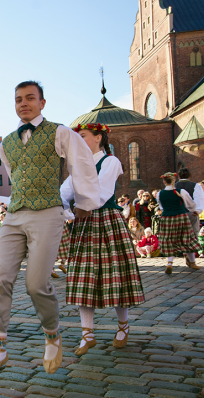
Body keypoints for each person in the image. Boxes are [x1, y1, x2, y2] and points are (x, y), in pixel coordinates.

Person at [0, 81, 100, 386]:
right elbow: (15, 175)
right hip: (15, 214)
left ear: (42, 102)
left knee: (36, 284)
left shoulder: (59, 132)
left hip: (47, 212)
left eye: (30, 98)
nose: (24, 103)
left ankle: (52, 335)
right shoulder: (7, 142)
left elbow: (81, 163)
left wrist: (86, 201)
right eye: (19, 99)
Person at [61, 122, 144, 357]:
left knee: (113, 275)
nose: (78, 142)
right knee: (83, 278)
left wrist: (77, 208)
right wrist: (66, 211)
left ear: (99, 137)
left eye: (83, 136)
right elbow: (63, 193)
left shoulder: (110, 161)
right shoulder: (78, 166)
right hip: (84, 223)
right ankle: (87, 334)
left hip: (106, 221)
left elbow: (102, 192)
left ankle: (123, 326)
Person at [156, 172, 202, 274]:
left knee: (169, 240)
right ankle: (192, 262)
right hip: (181, 216)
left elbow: (161, 207)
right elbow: (191, 204)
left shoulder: (160, 194)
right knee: (187, 238)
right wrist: (194, 210)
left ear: (164, 181)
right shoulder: (181, 191)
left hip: (166, 218)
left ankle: (169, 263)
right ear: (174, 180)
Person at [175, 168, 204, 236]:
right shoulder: (196, 186)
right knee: (193, 235)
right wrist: (197, 210)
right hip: (192, 213)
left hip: (178, 213)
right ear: (189, 176)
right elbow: (199, 199)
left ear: (179, 176)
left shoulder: (174, 186)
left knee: (179, 235)